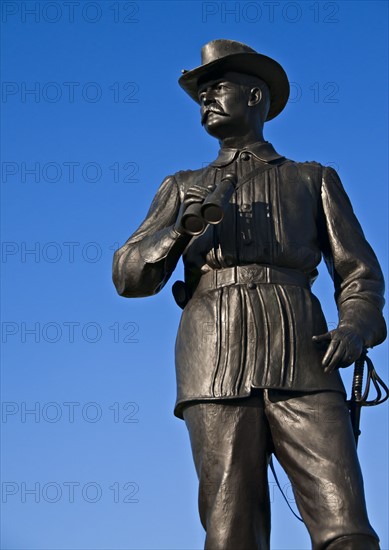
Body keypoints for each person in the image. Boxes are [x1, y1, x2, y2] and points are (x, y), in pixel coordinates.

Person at [112, 40, 386, 550]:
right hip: (213, 360)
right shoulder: (181, 185)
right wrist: (178, 228)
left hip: (306, 354)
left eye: (217, 89)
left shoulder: (312, 179)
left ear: (255, 97)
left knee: (344, 524)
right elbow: (129, 277)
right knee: (230, 530)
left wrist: (356, 325)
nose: (205, 101)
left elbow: (360, 274)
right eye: (201, 94)